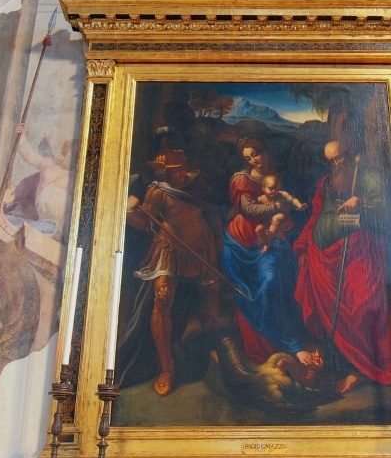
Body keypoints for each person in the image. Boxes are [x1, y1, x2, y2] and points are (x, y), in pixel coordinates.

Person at [294, 141, 391, 394]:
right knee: (329, 310)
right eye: (332, 161)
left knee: (363, 305)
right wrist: (304, 246)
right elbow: (316, 215)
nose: (337, 164)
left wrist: (361, 204)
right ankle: (348, 368)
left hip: (361, 252)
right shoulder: (326, 184)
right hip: (324, 259)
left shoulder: (369, 179)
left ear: (349, 154)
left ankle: (373, 368)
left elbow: (386, 212)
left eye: (340, 158)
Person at [126, 149, 220, 396]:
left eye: (182, 167)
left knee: (210, 294)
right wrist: (130, 210)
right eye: (176, 170)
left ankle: (213, 346)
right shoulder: (158, 192)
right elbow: (143, 222)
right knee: (163, 297)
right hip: (170, 248)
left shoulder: (193, 185)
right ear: (164, 172)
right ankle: (167, 368)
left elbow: (209, 209)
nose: (182, 172)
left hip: (200, 247)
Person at [222, 137, 319, 367]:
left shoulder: (274, 176)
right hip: (240, 245)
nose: (254, 160)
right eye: (248, 157)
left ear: (265, 150)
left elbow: (291, 207)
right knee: (247, 293)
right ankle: (263, 350)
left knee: (274, 281)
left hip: (268, 241)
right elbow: (248, 209)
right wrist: (276, 207)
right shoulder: (241, 179)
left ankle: (285, 342)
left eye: (256, 153)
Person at [255, 173, 308, 251]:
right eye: (271, 188)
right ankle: (267, 243)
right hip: (269, 223)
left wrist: (299, 205)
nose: (274, 191)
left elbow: (292, 199)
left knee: (276, 218)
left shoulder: (283, 194)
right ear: (263, 188)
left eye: (276, 188)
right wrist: (263, 207)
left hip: (284, 219)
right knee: (258, 229)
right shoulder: (261, 199)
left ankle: (270, 236)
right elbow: (253, 207)